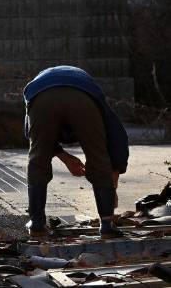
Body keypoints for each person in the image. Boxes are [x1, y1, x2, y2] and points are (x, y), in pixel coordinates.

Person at [24, 66, 129, 238]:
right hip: (83, 97)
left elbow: (33, 135)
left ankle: (36, 224)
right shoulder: (93, 93)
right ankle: (107, 224)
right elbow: (118, 137)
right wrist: (112, 181)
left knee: (38, 157)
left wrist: (63, 156)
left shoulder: (40, 85)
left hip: (41, 95)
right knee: (98, 155)